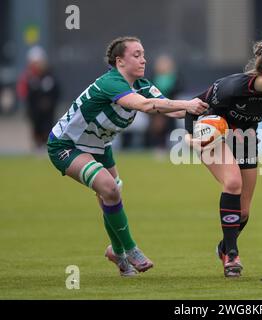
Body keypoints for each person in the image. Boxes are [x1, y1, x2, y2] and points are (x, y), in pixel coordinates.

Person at [47, 36, 208, 277]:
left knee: (112, 194)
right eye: (136, 55)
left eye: (143, 54)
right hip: (66, 145)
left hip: (99, 146)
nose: (143, 59)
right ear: (120, 61)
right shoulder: (111, 82)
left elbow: (169, 109)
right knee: (109, 189)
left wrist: (208, 108)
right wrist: (187, 104)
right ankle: (130, 250)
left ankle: (118, 255)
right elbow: (147, 106)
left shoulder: (142, 84)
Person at [184, 30, 262, 278]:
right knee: (233, 182)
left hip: (245, 138)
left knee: (244, 212)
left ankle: (224, 247)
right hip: (213, 132)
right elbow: (193, 107)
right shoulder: (231, 88)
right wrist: (189, 136)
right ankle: (232, 256)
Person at [17, 46, 60, 152]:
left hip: (48, 112)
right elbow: (25, 93)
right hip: (35, 111)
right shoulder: (29, 77)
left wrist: (49, 102)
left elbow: (56, 92)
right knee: (36, 128)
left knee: (48, 128)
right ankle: (38, 145)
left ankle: (48, 146)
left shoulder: (50, 77)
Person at [144, 54, 183, 152]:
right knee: (157, 127)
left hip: (172, 106)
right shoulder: (154, 76)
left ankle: (172, 147)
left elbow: (179, 88)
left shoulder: (175, 76)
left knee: (170, 126)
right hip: (156, 106)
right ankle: (159, 147)